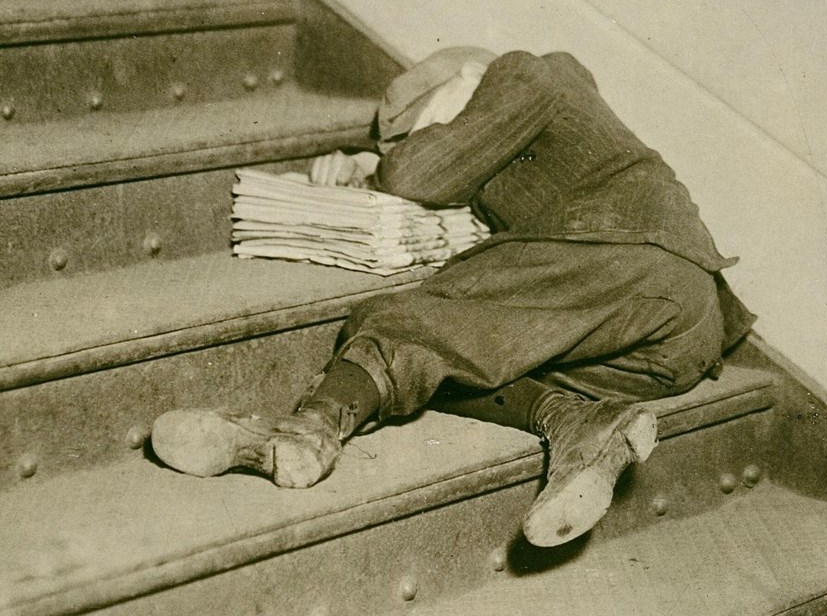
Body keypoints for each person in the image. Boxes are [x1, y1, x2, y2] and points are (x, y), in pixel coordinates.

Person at [152, 47, 755, 548]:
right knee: (476, 363)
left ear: (464, 84)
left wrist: (375, 169)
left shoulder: (527, 72)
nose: (426, 139)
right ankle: (577, 424)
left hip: (635, 262)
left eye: (426, 126)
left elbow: (421, 175)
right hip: (668, 348)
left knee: (409, 323)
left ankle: (306, 430)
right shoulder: (553, 142)